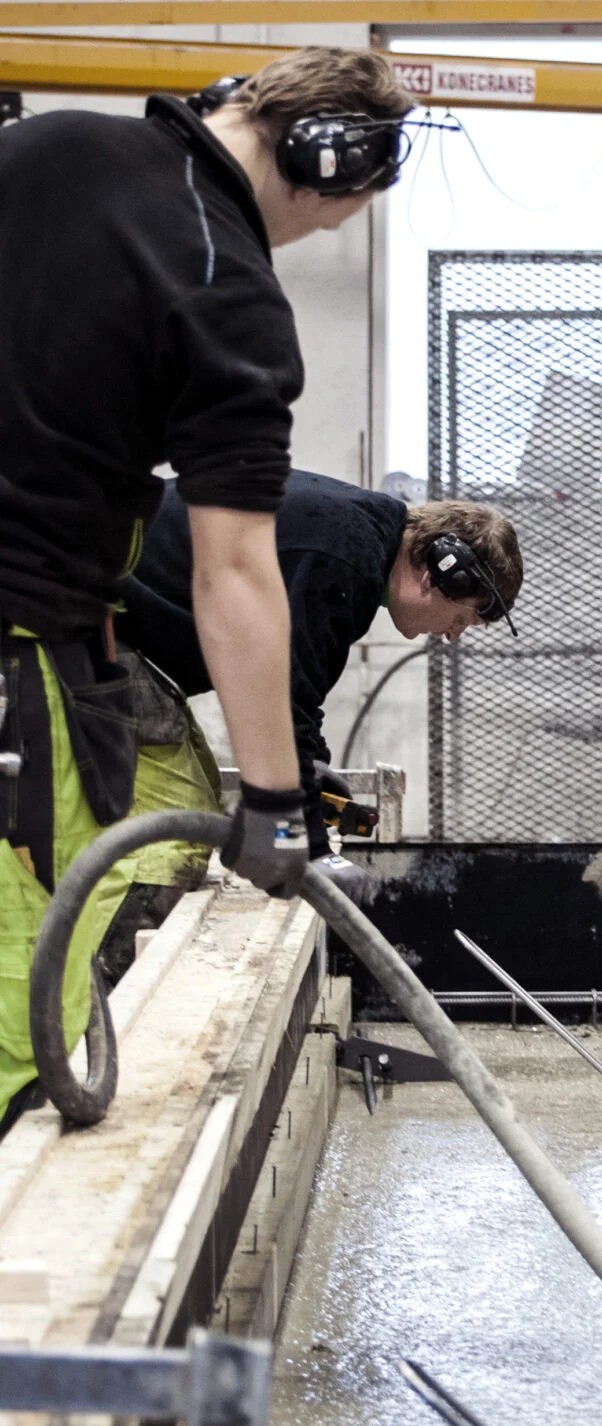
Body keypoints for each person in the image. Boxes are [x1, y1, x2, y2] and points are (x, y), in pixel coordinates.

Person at [0, 48, 417, 1133]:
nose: (312, 235)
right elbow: (236, 574)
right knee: (20, 990)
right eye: (335, 217)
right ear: (328, 160)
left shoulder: (44, 145)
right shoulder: (228, 288)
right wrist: (274, 809)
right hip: (23, 641)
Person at [114, 469, 523, 914]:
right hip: (98, 622)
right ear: (441, 575)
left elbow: (291, 687)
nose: (453, 635)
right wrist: (311, 851)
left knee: (202, 796)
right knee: (175, 837)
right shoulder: (345, 560)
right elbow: (281, 706)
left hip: (124, 628)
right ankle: (118, 953)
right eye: (463, 618)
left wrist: (311, 766)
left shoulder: (357, 538)